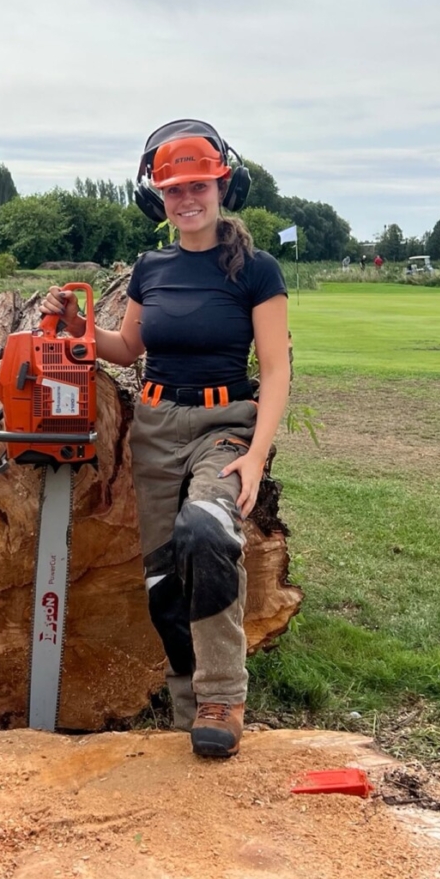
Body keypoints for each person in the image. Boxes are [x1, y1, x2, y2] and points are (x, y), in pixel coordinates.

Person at [41, 119, 290, 758]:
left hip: (224, 425)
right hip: (154, 428)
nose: (187, 199)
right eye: (174, 189)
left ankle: (222, 697)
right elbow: (128, 350)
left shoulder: (256, 271)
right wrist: (79, 327)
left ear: (221, 185)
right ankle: (189, 712)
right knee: (162, 583)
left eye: (198, 186)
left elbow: (277, 369)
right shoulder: (151, 269)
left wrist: (257, 454)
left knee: (207, 532)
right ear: (158, 196)